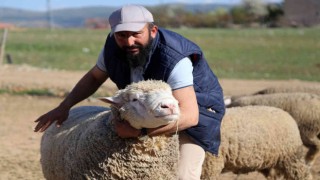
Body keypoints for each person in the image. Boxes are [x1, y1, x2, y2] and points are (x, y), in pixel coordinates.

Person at [34, 4, 225, 180]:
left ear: (153, 30)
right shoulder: (113, 47)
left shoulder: (175, 58)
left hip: (190, 114)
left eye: (136, 34)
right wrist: (64, 106)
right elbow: (94, 77)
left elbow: (190, 116)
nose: (129, 41)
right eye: (122, 35)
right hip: (143, 110)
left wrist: (140, 132)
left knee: (181, 176)